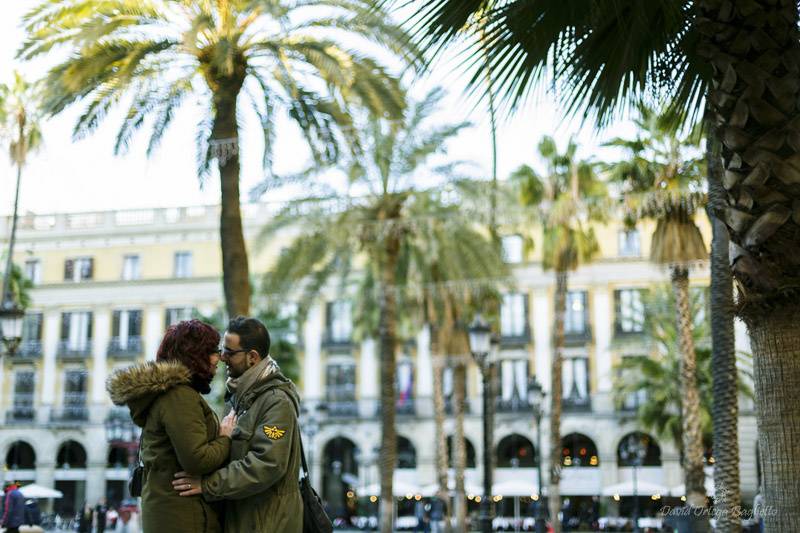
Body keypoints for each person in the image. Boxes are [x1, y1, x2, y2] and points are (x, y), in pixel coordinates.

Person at [172, 316, 303, 532]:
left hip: (267, 525)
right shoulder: (239, 395)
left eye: (230, 352)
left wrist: (207, 485)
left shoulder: (276, 401)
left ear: (252, 357)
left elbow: (266, 465)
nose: (222, 357)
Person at [107, 319, 236, 533]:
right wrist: (225, 437)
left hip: (173, 512)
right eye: (213, 350)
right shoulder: (179, 396)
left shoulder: (175, 394)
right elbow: (197, 459)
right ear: (195, 354)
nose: (219, 358)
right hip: (183, 516)